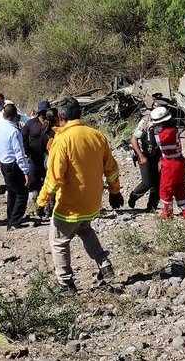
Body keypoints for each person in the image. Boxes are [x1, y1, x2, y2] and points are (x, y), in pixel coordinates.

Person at [36, 96, 124, 293]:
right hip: (92, 202)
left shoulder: (63, 140)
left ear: (60, 117)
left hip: (70, 204)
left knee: (58, 240)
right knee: (85, 229)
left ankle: (66, 283)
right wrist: (114, 191)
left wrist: (41, 202)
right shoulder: (97, 135)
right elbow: (111, 168)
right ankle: (104, 263)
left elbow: (54, 177)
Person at [0, 103, 31, 230]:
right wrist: (26, 171)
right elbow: (19, 153)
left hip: (4, 164)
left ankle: (11, 218)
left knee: (11, 192)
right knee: (22, 193)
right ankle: (15, 222)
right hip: (13, 165)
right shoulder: (14, 131)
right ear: (15, 116)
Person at [150, 106, 185, 220]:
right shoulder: (173, 129)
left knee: (166, 188)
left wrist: (152, 133)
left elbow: (161, 145)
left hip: (171, 163)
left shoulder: (167, 132)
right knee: (179, 187)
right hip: (178, 161)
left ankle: (167, 213)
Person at [127, 98, 168, 211]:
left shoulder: (165, 121)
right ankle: (134, 196)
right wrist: (141, 156)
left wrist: (162, 158)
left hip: (157, 154)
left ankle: (152, 206)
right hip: (144, 153)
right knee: (147, 182)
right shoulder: (146, 121)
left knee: (157, 182)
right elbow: (134, 140)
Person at [21, 100, 51, 201]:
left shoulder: (53, 123)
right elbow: (23, 137)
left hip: (49, 156)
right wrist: (26, 151)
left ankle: (49, 204)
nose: (43, 115)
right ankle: (36, 201)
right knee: (34, 180)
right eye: (42, 112)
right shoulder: (31, 123)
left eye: (45, 112)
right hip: (34, 156)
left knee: (49, 180)